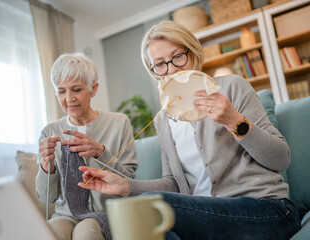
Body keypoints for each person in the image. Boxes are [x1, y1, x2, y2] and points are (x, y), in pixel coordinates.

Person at [78, 20, 301, 240]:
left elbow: (281, 159)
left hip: (269, 211)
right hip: (207, 219)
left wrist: (235, 122)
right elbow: (173, 183)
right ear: (154, 72)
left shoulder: (231, 87)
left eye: (177, 57)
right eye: (160, 64)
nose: (172, 69)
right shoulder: (163, 120)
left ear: (193, 54)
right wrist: (125, 185)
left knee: (155, 207)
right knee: (151, 224)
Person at [36, 53, 138, 240]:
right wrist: (46, 166)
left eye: (76, 89)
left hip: (107, 213)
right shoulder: (49, 131)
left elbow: (130, 182)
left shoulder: (119, 123)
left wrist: (101, 153)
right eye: (61, 91)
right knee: (49, 231)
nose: (69, 98)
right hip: (66, 215)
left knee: (86, 233)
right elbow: (46, 198)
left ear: (93, 88)